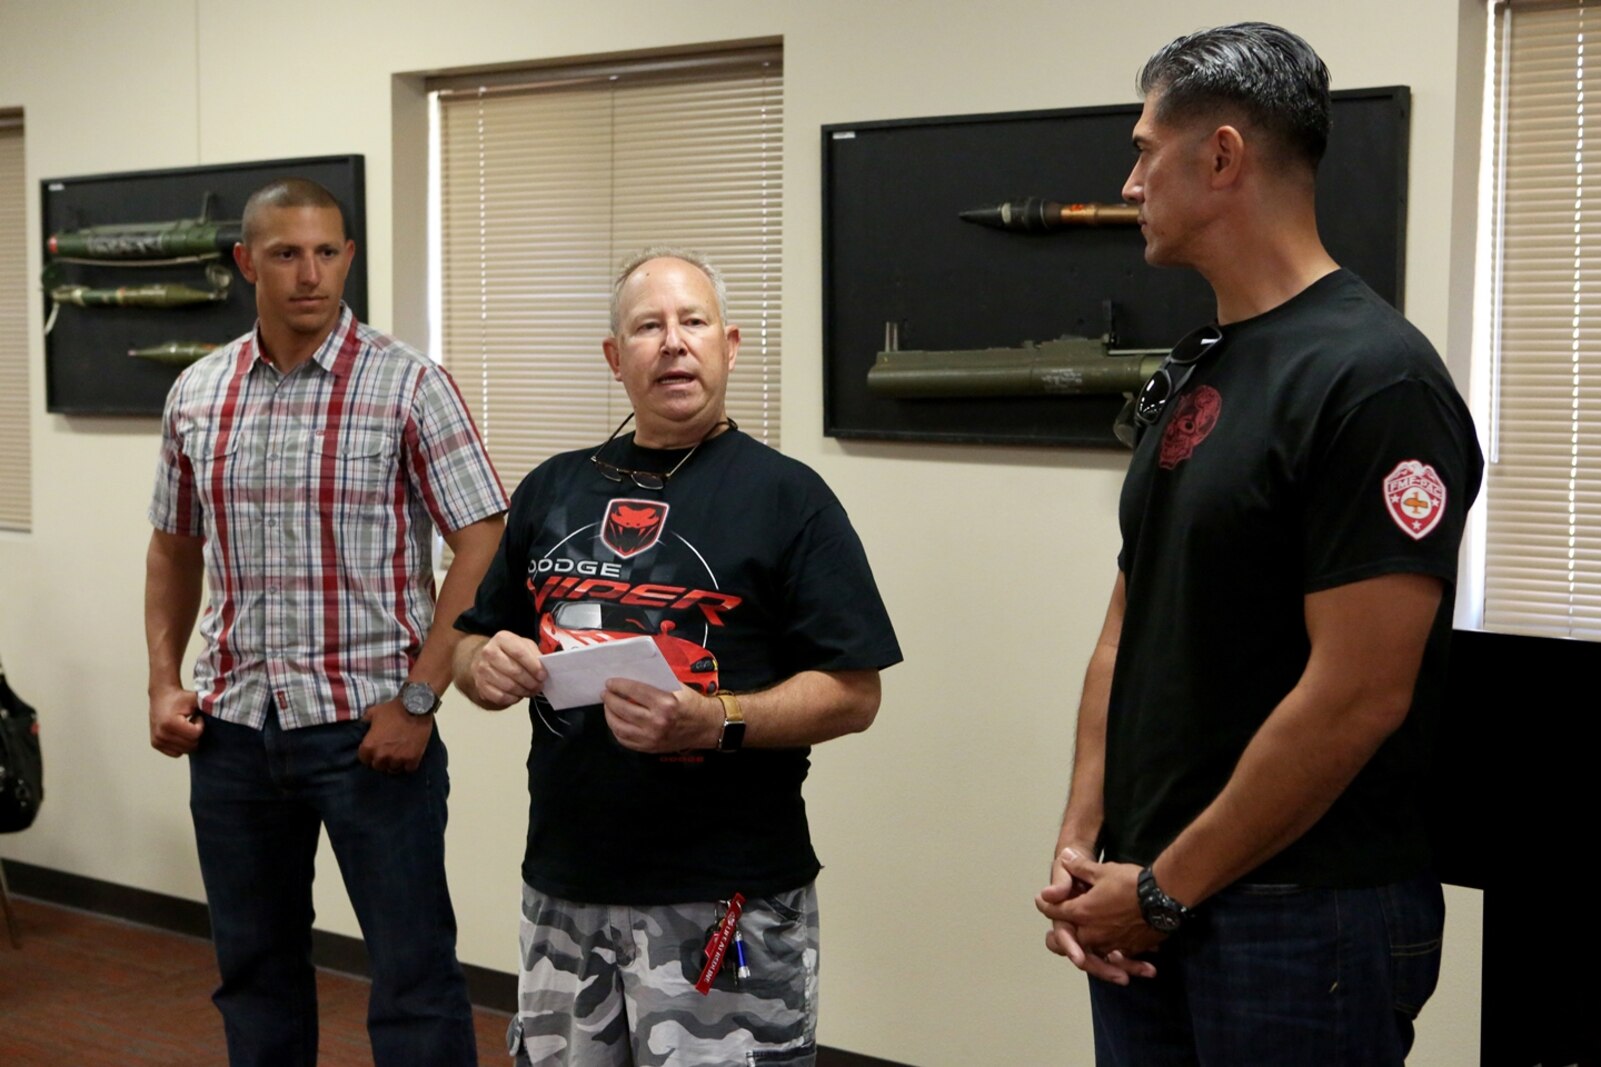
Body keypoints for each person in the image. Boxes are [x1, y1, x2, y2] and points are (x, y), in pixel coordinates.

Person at [1034, 23, 1484, 1066]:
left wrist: (1161, 886)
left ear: (1223, 156)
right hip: (1150, 891)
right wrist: (1082, 845)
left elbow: (1358, 692)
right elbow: (1124, 627)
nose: (1130, 177)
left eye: (1147, 150)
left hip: (1302, 913)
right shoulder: (1194, 366)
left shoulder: (1374, 381)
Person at [452, 247, 901, 1067]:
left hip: (723, 893)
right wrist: (480, 666)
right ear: (613, 357)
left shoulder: (788, 497)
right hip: (564, 887)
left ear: (728, 345)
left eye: (692, 322)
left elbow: (853, 691)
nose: (672, 342)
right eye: (648, 326)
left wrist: (718, 718)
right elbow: (473, 641)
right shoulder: (552, 489)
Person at [144, 177, 507, 1066]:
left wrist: (419, 700)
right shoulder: (199, 391)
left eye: (327, 251)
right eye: (285, 253)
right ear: (245, 263)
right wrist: (162, 680)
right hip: (232, 734)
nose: (311, 273)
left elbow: (484, 539)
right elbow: (172, 548)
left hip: (371, 732)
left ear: (347, 255)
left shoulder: (408, 383)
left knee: (413, 978)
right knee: (254, 973)